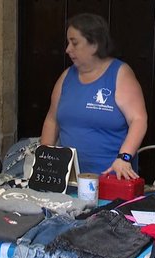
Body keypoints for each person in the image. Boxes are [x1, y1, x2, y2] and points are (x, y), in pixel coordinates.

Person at [40, 13, 147, 180]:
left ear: (95, 44)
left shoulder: (120, 74)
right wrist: (44, 160)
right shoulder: (66, 77)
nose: (68, 49)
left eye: (74, 43)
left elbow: (138, 120)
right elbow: (52, 120)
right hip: (69, 179)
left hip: (110, 178)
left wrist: (124, 158)